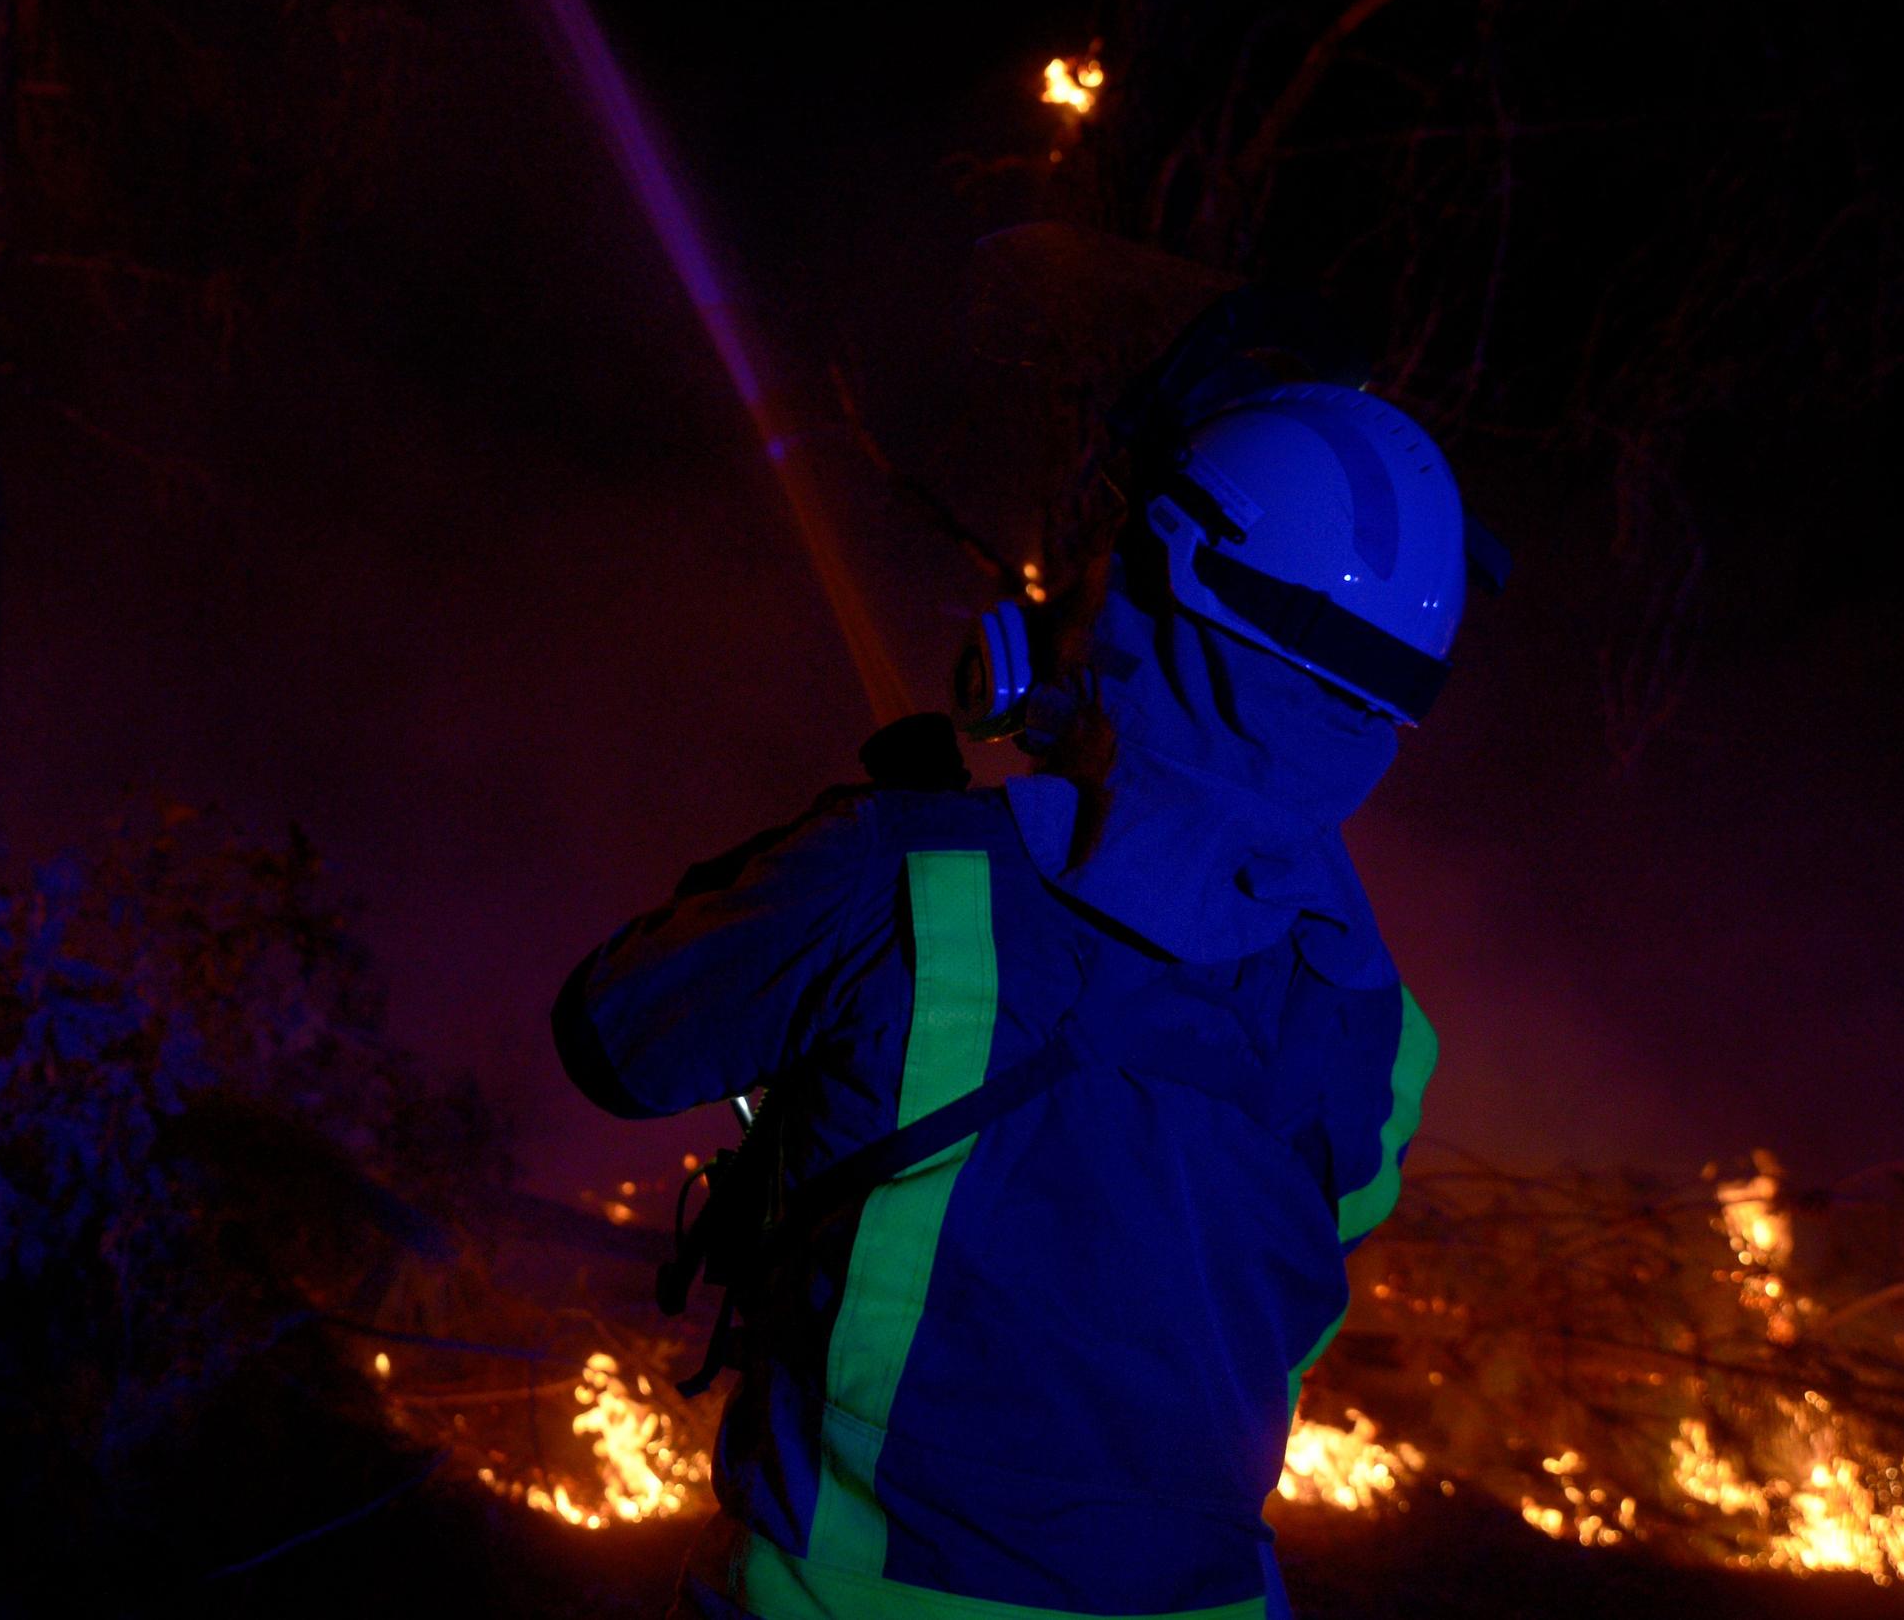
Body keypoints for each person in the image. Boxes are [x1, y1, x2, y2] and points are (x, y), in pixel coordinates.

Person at [555, 376, 1469, 1620]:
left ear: (1161, 579)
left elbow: (616, 1035)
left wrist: (845, 846)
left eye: (1110, 559)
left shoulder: (898, 875)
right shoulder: (1380, 1027)